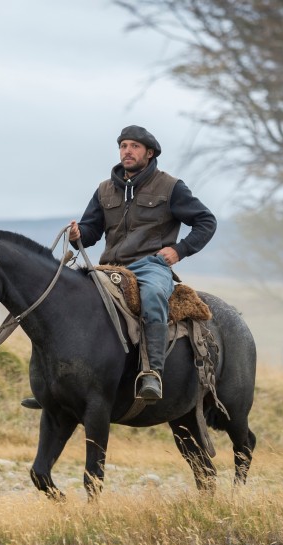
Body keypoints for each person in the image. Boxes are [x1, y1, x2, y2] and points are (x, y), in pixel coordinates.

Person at [22, 125, 216, 408]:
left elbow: (206, 221)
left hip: (151, 266)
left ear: (149, 153)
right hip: (108, 267)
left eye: (134, 146)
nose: (127, 151)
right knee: (59, 298)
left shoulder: (171, 187)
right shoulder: (104, 190)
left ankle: (151, 374)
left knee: (152, 298)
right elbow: (90, 232)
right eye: (123, 145)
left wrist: (179, 250)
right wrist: (78, 236)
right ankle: (55, 382)